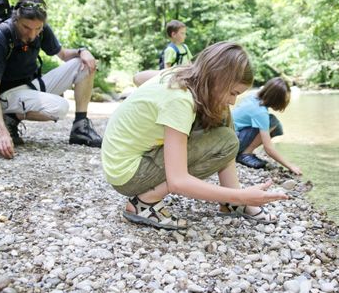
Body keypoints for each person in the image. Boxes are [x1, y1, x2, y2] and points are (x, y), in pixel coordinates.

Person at [102, 42, 288, 230]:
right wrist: (242, 196)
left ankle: (233, 201)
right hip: (128, 174)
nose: (233, 101)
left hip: (120, 160)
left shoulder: (182, 74)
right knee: (227, 141)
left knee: (222, 111)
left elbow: (138, 77)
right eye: (233, 92)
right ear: (216, 78)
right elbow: (178, 181)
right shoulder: (180, 100)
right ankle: (144, 203)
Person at [0, 0, 103, 159]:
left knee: (84, 64)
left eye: (38, 29)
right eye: (26, 28)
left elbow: (62, 54)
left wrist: (82, 51)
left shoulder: (41, 30)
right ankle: (10, 117)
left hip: (30, 85)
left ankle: (80, 127)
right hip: (6, 95)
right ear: (16, 19)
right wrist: (2, 134)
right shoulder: (0, 36)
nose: (32, 35)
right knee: (60, 107)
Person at [232, 77, 302, 175]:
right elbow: (268, 148)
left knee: (274, 125)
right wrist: (290, 166)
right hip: (232, 143)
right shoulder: (260, 112)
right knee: (273, 122)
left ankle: (245, 152)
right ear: (276, 99)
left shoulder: (253, 96)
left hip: (230, 139)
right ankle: (245, 154)